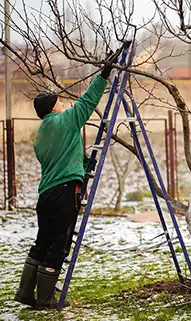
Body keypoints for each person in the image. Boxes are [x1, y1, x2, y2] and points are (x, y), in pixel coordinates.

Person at [14, 50, 120, 310]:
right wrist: (104, 73)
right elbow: (87, 102)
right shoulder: (65, 121)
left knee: (43, 241)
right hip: (64, 193)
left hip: (46, 194)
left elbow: (61, 157)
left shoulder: (40, 135)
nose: (64, 104)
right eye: (60, 102)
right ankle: (46, 299)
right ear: (53, 107)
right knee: (58, 244)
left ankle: (26, 293)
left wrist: (83, 163)